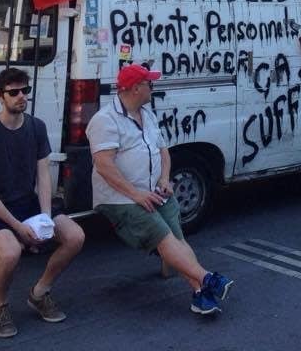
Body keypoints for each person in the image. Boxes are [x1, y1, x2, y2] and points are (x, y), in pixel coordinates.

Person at [88, 64, 234, 315]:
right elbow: (103, 166)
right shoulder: (104, 120)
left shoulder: (147, 114)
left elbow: (163, 151)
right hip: (121, 198)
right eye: (149, 83)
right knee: (162, 235)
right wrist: (136, 194)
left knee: (177, 238)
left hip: (152, 190)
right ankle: (207, 278)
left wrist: (165, 179)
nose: (153, 88)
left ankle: (200, 293)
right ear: (135, 89)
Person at [0, 68, 85, 338]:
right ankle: (0, 306)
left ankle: (40, 292)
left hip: (29, 203)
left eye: (25, 91)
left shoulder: (36, 126)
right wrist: (18, 227)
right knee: (10, 253)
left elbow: (44, 174)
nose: (21, 96)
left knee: (75, 236)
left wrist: (44, 217)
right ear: (0, 96)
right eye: (14, 92)